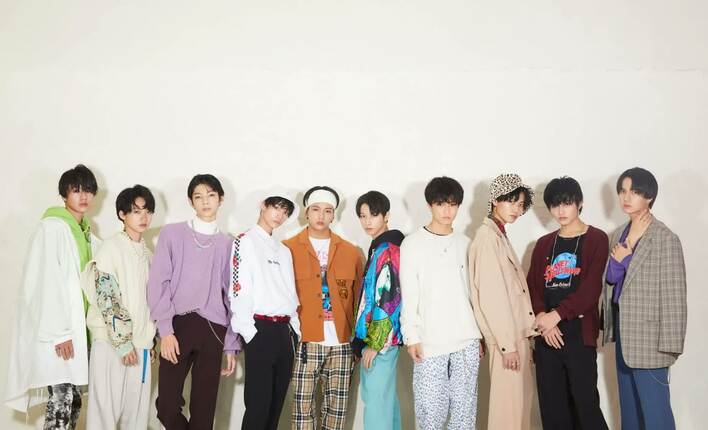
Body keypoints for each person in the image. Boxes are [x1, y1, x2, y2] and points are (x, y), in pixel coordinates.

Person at [6, 164, 99, 430]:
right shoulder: (52, 228)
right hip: (60, 333)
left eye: (88, 190)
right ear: (64, 194)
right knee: (61, 400)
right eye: (76, 190)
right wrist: (60, 333)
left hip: (80, 331)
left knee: (75, 401)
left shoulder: (85, 232)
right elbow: (47, 281)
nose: (83, 196)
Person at [147, 173, 241, 430]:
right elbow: (158, 282)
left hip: (214, 329)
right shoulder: (172, 234)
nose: (205, 201)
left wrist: (231, 344)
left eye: (211, 195)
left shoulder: (229, 244)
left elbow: (233, 295)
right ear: (191, 202)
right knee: (167, 406)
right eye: (198, 197)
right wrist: (165, 330)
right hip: (178, 326)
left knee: (204, 409)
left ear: (221, 199)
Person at [603, 167, 687, 430]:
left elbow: (675, 296)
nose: (626, 197)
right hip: (623, 334)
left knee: (655, 416)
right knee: (630, 413)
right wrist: (628, 245)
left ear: (649, 197)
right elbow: (611, 279)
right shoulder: (619, 234)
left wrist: (671, 347)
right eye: (623, 191)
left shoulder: (665, 238)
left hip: (652, 342)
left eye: (635, 191)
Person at [400, 176, 482, 429]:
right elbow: (409, 293)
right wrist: (411, 335)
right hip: (429, 340)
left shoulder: (466, 243)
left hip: (466, 338)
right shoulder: (412, 244)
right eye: (441, 204)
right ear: (430, 205)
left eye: (453, 204)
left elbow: (474, 294)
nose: (447, 210)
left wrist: (481, 335)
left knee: (464, 411)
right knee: (430, 412)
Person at [527, 176, 609, 429]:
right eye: (555, 205)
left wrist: (557, 315)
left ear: (579, 203)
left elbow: (591, 289)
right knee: (553, 407)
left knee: (585, 404)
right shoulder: (543, 244)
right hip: (547, 335)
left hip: (578, 333)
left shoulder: (597, 238)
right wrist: (544, 319)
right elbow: (533, 286)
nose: (560, 211)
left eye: (567, 203)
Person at [284, 185, 363, 430]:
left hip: (341, 342)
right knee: (302, 410)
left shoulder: (351, 252)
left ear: (333, 215)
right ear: (306, 212)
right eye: (316, 209)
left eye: (328, 211)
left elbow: (359, 299)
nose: (321, 215)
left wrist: (358, 340)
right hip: (305, 339)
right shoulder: (287, 248)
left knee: (337, 411)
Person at [82, 184, 158, 429]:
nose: (143, 217)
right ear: (122, 214)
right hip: (111, 344)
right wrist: (123, 343)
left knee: (136, 417)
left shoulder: (149, 255)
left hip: (141, 346)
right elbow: (107, 296)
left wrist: (150, 341)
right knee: (104, 414)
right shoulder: (111, 248)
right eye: (136, 211)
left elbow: (151, 303)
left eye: (147, 211)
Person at [468, 173, 537, 430]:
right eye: (511, 201)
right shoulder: (487, 239)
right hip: (507, 342)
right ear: (496, 200)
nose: (516, 209)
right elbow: (492, 298)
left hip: (516, 338)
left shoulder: (499, 236)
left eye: (520, 204)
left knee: (518, 411)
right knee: (507, 414)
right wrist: (508, 346)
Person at [230, 191, 301, 430]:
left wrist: (295, 330)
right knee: (258, 405)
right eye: (276, 207)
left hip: (284, 331)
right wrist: (249, 332)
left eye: (285, 211)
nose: (280, 215)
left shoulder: (283, 250)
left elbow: (290, 292)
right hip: (259, 329)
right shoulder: (244, 241)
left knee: (275, 406)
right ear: (263, 205)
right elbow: (238, 289)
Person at [352, 191, 404, 430]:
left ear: (386, 215)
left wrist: (374, 343)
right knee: (385, 402)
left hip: (380, 342)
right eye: (363, 216)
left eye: (373, 215)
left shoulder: (388, 249)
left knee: (376, 404)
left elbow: (388, 298)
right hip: (380, 340)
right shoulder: (379, 247)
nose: (367, 221)